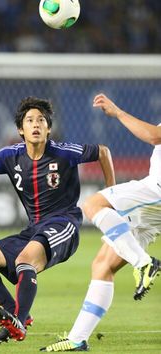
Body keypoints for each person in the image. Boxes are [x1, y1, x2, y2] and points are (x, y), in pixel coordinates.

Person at [0, 96, 116, 344]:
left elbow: (103, 151)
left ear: (48, 128)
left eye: (41, 120)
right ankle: (18, 316)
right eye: (30, 120)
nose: (36, 124)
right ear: (20, 129)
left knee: (26, 260)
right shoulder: (8, 156)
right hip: (33, 230)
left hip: (63, 224)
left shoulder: (63, 152)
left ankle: (19, 322)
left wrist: (111, 194)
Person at [40, 93, 161, 352]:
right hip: (151, 208)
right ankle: (77, 339)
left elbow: (155, 137)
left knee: (93, 204)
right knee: (103, 265)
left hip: (156, 192)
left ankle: (144, 264)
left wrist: (117, 112)